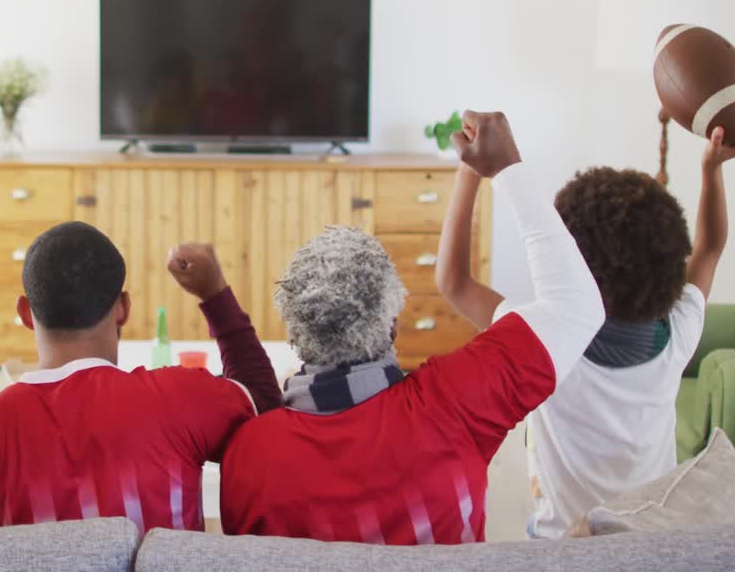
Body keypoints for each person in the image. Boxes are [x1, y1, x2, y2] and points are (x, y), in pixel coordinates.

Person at [219, 111, 605, 544]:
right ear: (391, 327)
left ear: (294, 335)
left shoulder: (249, 455)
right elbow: (576, 307)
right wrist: (505, 168)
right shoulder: (454, 403)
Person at [440, 100, 735, 538]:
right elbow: (709, 248)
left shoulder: (542, 341)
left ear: (572, 264)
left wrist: (468, 173)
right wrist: (712, 167)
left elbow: (454, 282)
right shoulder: (678, 333)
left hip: (563, 546)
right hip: (650, 539)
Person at [0, 221, 280, 533]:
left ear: (25, 313)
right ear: (124, 308)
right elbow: (264, 405)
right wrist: (214, 294)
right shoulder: (180, 399)